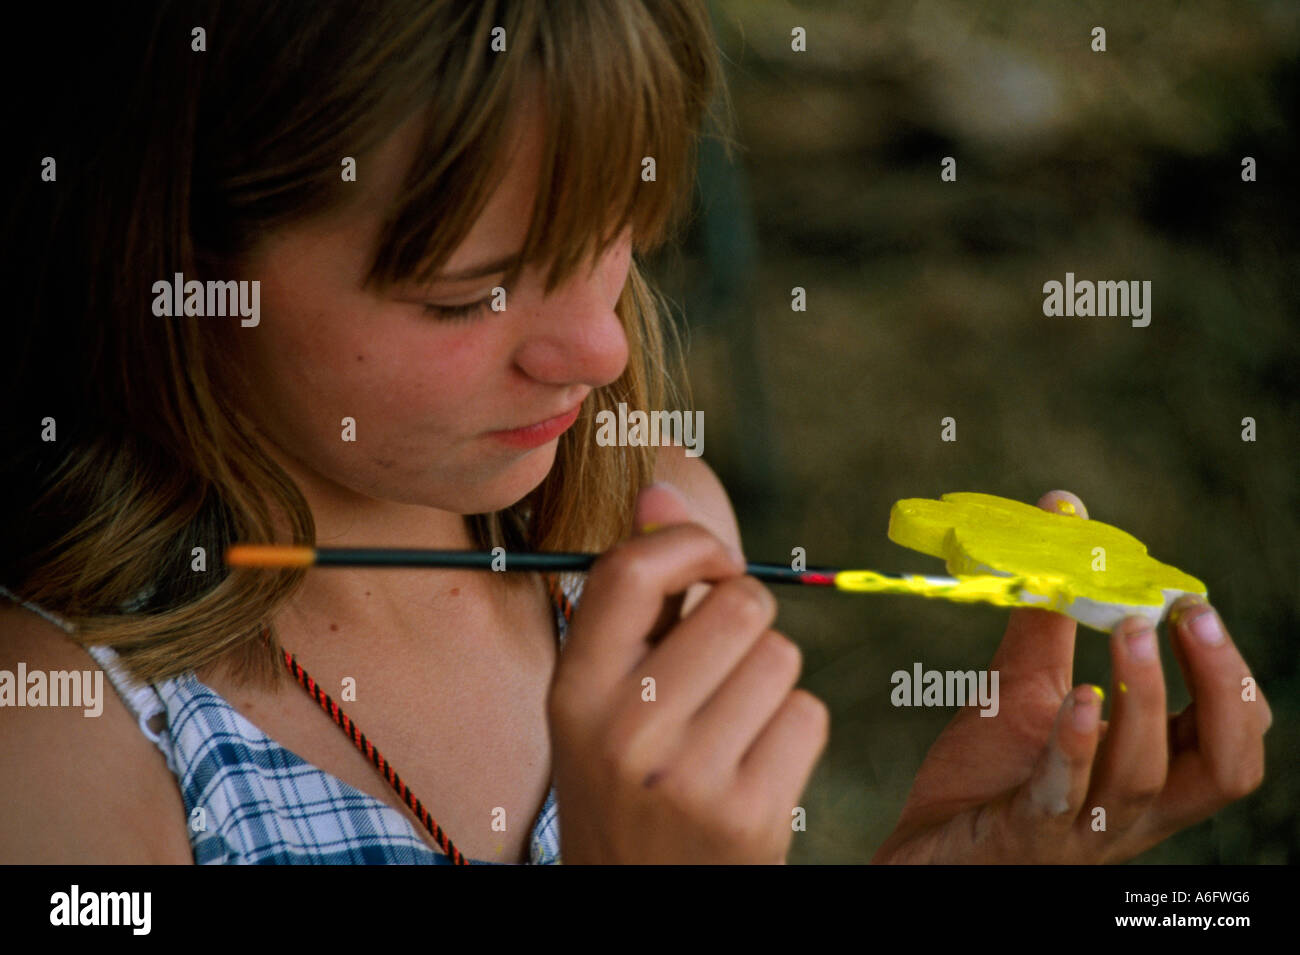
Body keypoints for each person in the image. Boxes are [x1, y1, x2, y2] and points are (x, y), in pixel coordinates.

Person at [0, 1, 1270, 865]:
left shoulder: (651, 527)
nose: (602, 353)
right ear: (173, 265)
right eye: (470, 292)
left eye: (616, 238)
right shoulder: (61, 740)